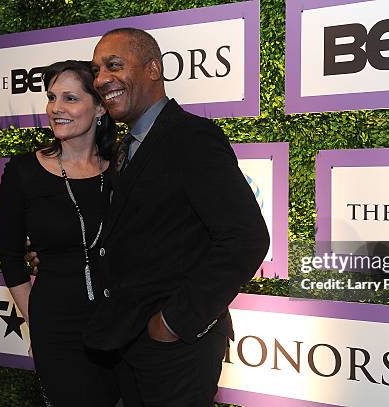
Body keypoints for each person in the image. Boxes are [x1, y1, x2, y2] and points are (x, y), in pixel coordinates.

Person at [85, 27, 270, 406]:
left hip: (175, 351)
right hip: (127, 341)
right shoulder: (128, 145)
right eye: (97, 71)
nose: (101, 79)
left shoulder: (192, 138)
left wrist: (172, 323)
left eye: (113, 65)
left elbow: (246, 238)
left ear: (153, 69)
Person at [0, 60, 121, 406]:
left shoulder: (123, 170)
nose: (56, 109)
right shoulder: (23, 172)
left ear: (99, 107)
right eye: (52, 98)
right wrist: (34, 321)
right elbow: (9, 256)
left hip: (121, 324)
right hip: (57, 328)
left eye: (70, 98)